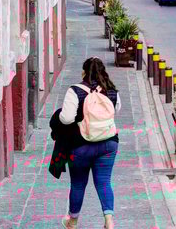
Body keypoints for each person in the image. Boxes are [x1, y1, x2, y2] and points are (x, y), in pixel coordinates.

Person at [58, 57, 120, 229]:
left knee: (78, 183)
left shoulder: (75, 91)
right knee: (104, 182)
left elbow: (66, 118)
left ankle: (73, 221)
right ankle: (109, 220)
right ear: (103, 72)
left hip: (80, 146)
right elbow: (116, 110)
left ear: (83, 72)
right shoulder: (112, 91)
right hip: (108, 143)